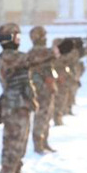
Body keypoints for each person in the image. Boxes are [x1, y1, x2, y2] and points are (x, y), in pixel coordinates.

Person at [0, 23, 43, 173]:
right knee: (11, 147)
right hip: (13, 107)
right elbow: (31, 59)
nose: (19, 41)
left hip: (22, 106)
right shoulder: (6, 56)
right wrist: (56, 52)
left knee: (20, 146)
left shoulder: (15, 56)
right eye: (16, 37)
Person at [27, 26, 58, 154]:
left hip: (45, 88)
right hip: (41, 88)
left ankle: (44, 142)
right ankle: (39, 143)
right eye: (43, 36)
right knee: (41, 116)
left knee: (46, 116)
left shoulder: (37, 51)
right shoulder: (39, 51)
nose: (45, 38)